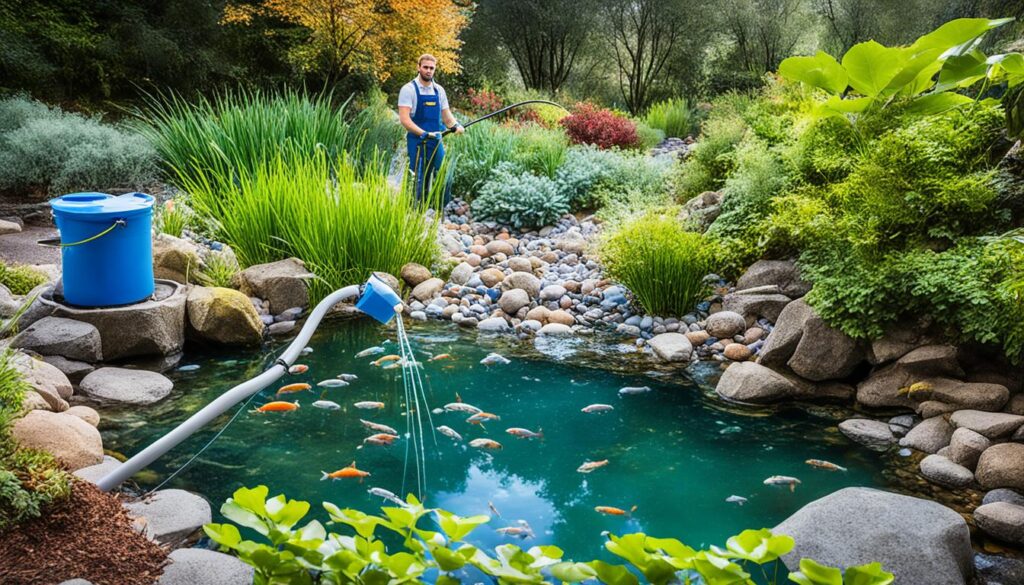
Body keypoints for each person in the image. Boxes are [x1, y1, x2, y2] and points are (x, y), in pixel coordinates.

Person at [397, 53, 464, 200]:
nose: (428, 70)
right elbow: (405, 120)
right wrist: (424, 133)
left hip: (436, 140)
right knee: (415, 176)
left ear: (435, 70)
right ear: (418, 67)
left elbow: (447, 117)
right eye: (425, 67)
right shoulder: (408, 90)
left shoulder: (439, 90)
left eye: (431, 68)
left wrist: (456, 125)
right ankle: (412, 207)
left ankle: (439, 207)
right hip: (417, 140)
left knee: (442, 173)